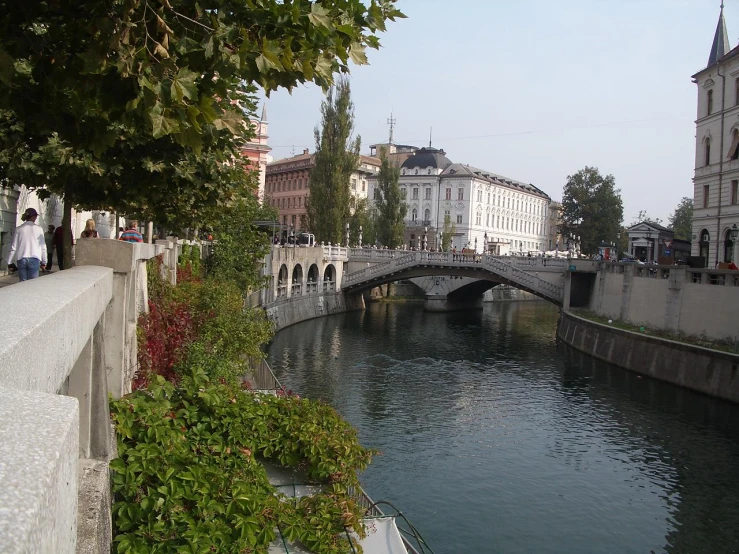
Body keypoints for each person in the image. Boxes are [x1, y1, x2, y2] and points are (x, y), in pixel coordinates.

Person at [7, 208, 47, 281]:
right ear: (32, 217)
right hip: (34, 258)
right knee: (33, 284)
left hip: (21, 258)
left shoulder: (18, 229)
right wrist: (44, 262)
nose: (36, 218)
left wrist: (9, 262)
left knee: (22, 283)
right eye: (35, 216)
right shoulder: (39, 229)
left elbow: (14, 247)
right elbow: (43, 247)